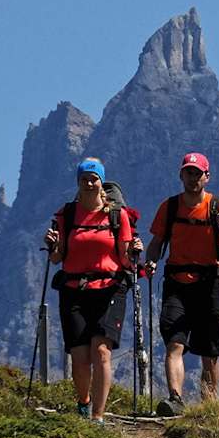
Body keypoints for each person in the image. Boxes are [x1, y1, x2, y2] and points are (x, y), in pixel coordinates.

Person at [43, 157, 141, 424]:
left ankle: (97, 416)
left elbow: (124, 260)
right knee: (80, 357)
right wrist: (52, 245)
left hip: (109, 289)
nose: (89, 183)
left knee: (101, 351)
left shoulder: (117, 215)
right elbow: (56, 258)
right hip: (74, 289)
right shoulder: (67, 215)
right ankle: (83, 402)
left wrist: (133, 253)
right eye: (84, 178)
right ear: (78, 182)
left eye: (94, 178)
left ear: (101, 183)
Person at [144, 152, 219, 415]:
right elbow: (155, 245)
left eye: (197, 173)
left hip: (209, 285)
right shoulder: (169, 207)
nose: (193, 177)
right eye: (188, 172)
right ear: (181, 175)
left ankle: (209, 407)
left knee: (209, 351)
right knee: (175, 343)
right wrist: (150, 262)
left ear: (206, 177)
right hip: (176, 284)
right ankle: (175, 399)